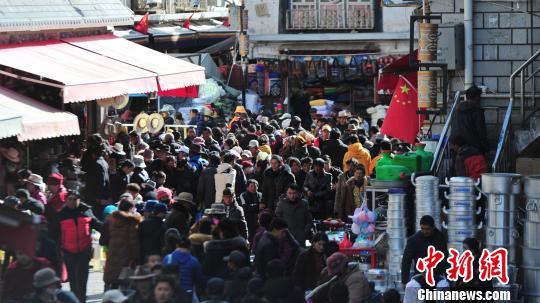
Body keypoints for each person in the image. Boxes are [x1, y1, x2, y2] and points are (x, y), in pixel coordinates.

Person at [52, 189, 102, 302]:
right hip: (68, 251)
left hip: (84, 250)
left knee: (82, 279)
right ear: (66, 200)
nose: (73, 201)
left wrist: (110, 226)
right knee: (73, 280)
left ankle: (82, 300)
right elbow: (53, 234)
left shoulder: (86, 211)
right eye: (70, 199)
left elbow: (98, 225)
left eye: (75, 199)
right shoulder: (60, 215)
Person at [103, 197, 142, 289]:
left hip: (113, 252)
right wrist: (136, 257)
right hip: (126, 254)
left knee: (112, 280)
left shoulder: (112, 219)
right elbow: (133, 241)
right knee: (124, 283)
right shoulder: (132, 222)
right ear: (131, 208)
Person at [401, 215, 448, 286]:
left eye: (427, 229)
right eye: (422, 228)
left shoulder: (440, 237)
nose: (425, 231)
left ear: (433, 227)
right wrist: (404, 281)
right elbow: (406, 261)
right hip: (420, 275)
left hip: (436, 275)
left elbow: (444, 258)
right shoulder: (414, 240)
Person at [452, 85, 489, 154]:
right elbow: (481, 132)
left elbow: (453, 127)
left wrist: (455, 144)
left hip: (458, 148)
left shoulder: (456, 110)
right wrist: (486, 148)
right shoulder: (477, 111)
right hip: (474, 149)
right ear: (476, 97)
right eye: (479, 97)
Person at [239, 179, 262, 243]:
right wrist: (257, 206)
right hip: (248, 220)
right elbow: (245, 207)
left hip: (259, 220)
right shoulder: (243, 195)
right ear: (247, 187)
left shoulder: (260, 195)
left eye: (255, 186)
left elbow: (262, 206)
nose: (254, 188)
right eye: (251, 186)